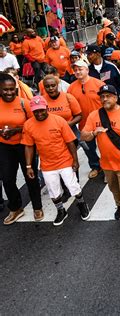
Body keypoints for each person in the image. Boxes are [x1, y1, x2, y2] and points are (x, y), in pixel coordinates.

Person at [81, 85, 120, 234]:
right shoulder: (94, 115)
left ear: (116, 97)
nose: (105, 99)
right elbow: (83, 135)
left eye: (108, 96)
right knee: (114, 189)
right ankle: (119, 205)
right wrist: (93, 133)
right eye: (102, 96)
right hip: (107, 164)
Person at [22, 95, 90, 226]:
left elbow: (70, 142)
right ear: (32, 111)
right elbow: (29, 146)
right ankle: (61, 211)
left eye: (42, 110)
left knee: (73, 186)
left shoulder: (59, 121)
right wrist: (29, 166)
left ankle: (82, 205)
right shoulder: (28, 125)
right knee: (54, 191)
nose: (39, 113)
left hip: (64, 161)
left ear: (47, 108)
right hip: (47, 165)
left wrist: (75, 160)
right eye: (36, 111)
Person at [0, 73, 43, 225]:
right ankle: (16, 207)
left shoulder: (25, 103)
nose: (9, 92)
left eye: (12, 89)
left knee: (30, 177)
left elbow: (35, 125)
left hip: (25, 146)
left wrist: (16, 130)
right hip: (4, 147)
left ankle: (37, 207)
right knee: (7, 179)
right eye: (5, 90)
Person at [67, 60, 104, 178]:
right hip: (83, 124)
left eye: (80, 69)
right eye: (75, 70)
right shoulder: (71, 88)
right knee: (89, 148)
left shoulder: (98, 84)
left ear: (87, 70)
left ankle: (108, 170)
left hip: (101, 122)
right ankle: (95, 166)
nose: (77, 72)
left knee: (105, 147)